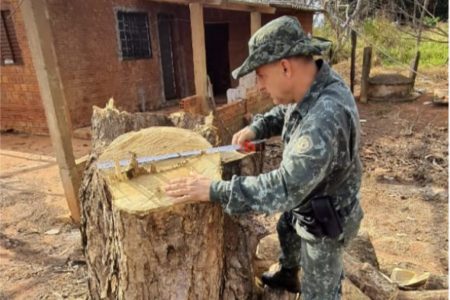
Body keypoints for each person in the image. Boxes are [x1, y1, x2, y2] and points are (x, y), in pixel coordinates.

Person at [165, 15, 364, 300]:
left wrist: (214, 191)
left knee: (320, 290)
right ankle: (287, 272)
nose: (259, 85)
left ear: (285, 67)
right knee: (287, 226)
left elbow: (283, 188)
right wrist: (257, 126)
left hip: (326, 218)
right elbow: (287, 110)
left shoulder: (324, 119)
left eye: (260, 75)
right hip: (311, 197)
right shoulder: (313, 84)